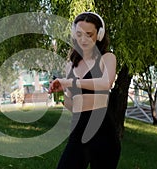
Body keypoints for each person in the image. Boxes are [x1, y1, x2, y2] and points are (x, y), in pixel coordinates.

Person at [49, 12, 121, 169]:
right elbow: (73, 106)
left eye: (89, 34)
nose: (83, 39)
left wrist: (70, 82)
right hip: (78, 130)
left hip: (103, 131)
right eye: (80, 34)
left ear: (99, 35)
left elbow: (105, 83)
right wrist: (59, 95)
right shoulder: (70, 65)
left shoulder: (107, 58)